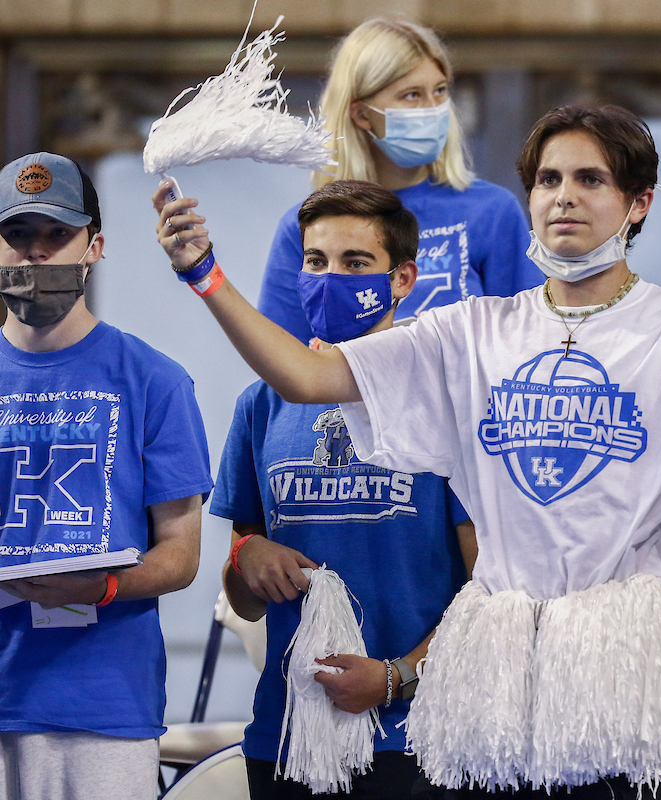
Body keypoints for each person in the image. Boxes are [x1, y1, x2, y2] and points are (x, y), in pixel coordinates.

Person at [151, 103, 661, 799]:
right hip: (498, 671)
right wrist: (205, 277)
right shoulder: (474, 328)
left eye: (591, 179)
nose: (565, 195)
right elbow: (310, 374)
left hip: (628, 665)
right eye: (549, 178)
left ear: (638, 203)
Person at [213, 180, 477, 799]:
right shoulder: (262, 406)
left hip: (417, 739)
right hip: (286, 736)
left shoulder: (446, 405)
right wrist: (245, 558)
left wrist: (395, 678)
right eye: (316, 261)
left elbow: (489, 591)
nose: (330, 278)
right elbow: (246, 599)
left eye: (355, 263)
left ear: (402, 279)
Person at [0, 152, 211, 799]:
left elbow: (180, 555)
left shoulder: (156, 381)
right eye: (18, 236)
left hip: (106, 708)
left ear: (94, 246)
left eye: (56, 235)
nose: (37, 254)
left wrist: (101, 587)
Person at [257, 18, 542, 344]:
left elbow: (527, 342)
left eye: (439, 91)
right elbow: (280, 362)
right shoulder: (308, 227)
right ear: (362, 114)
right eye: (411, 95)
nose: (433, 109)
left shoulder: (492, 211)